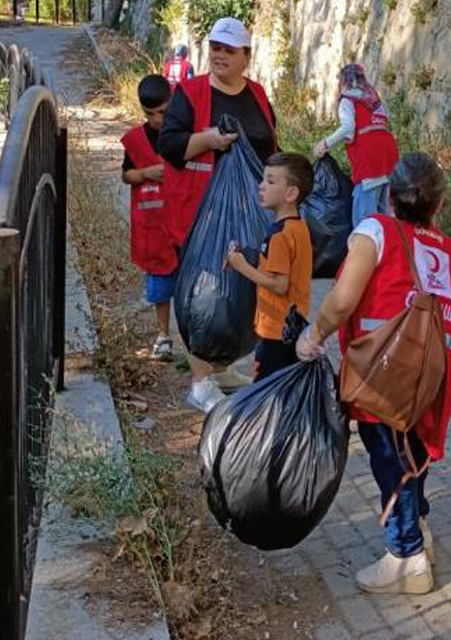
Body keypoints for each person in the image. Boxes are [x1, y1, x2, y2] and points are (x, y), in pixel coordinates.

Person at [295, 153, 451, 595]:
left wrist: (313, 335)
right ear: (438, 205)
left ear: (389, 196)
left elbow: (341, 300)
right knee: (413, 455)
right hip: (436, 375)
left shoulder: (377, 229)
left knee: (391, 463)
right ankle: (420, 529)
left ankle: (406, 555)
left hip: (385, 374)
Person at [159, 16, 278, 413]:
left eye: (230, 49)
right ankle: (199, 380)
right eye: (215, 48)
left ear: (247, 55)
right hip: (201, 214)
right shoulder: (191, 93)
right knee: (202, 294)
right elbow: (170, 145)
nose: (220, 55)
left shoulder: (258, 94)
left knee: (239, 292)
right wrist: (208, 139)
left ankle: (222, 368)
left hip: (249, 212)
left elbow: (269, 144)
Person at [225, 152, 314, 381]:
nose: (261, 186)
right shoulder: (298, 228)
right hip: (294, 326)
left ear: (291, 193)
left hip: (275, 330)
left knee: (267, 393)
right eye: (263, 179)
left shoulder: (280, 235)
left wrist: (241, 266)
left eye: (271, 181)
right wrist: (249, 255)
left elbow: (279, 284)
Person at [121, 75, 176, 360]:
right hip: (154, 228)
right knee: (160, 283)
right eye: (150, 114)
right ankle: (163, 335)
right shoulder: (136, 140)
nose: (158, 120)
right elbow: (126, 175)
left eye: (164, 112)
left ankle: (195, 339)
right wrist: (145, 174)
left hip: (184, 222)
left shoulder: (185, 132)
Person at [312, 63, 400, 228]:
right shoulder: (374, 99)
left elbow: (348, 129)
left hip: (369, 160)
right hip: (390, 156)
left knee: (363, 220)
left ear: (345, 82)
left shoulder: (347, 100)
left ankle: (364, 251)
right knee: (387, 217)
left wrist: (325, 143)